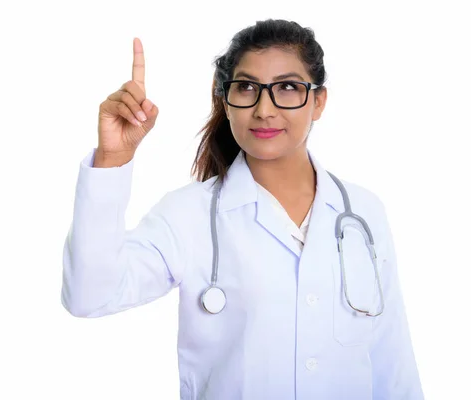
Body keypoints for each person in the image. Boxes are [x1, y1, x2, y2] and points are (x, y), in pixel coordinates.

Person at [61, 18, 424, 400]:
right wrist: (112, 159)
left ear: (318, 102)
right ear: (225, 100)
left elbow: (391, 360)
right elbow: (88, 296)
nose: (264, 109)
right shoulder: (188, 215)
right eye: (247, 87)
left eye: (287, 88)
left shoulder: (363, 213)